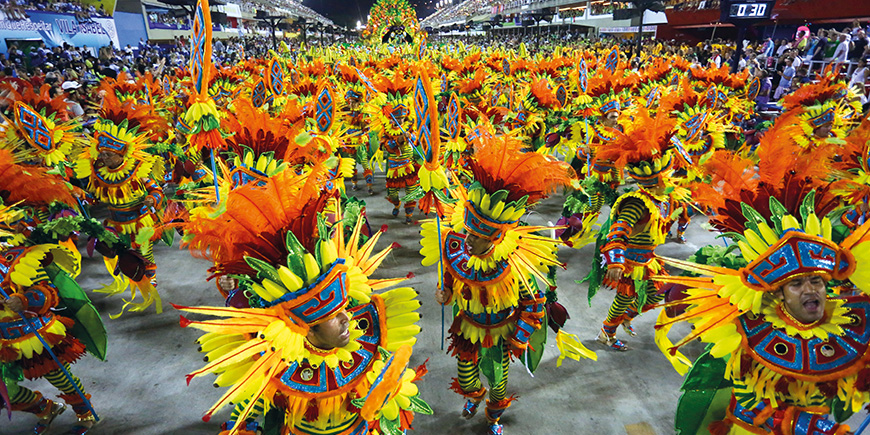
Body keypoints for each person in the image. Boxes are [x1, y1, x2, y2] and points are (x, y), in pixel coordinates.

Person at [178, 170, 431, 435]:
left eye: (344, 309)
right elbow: (253, 408)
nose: (348, 319)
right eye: (332, 317)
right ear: (305, 329)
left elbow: (389, 405)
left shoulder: (375, 341)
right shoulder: (271, 364)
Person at [654, 192, 870, 435]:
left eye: (816, 281)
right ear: (779, 294)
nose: (810, 290)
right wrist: (816, 429)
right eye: (796, 285)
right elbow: (749, 406)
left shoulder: (852, 321)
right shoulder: (746, 333)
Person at [422, 133, 593, 435]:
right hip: (467, 327)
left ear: (495, 237)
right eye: (468, 233)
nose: (467, 240)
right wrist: (445, 293)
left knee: (498, 382)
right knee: (466, 380)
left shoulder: (516, 263)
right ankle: (475, 396)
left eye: (475, 237)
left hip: (501, 333)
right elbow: (450, 276)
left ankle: (493, 418)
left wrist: (520, 338)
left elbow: (534, 306)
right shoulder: (457, 248)